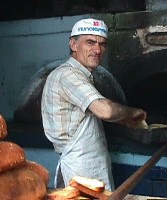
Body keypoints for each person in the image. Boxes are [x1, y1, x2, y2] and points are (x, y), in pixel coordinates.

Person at [41, 18, 147, 191]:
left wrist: (123, 121)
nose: (97, 50)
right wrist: (132, 113)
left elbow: (85, 116)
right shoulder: (68, 76)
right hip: (81, 168)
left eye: (102, 44)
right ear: (73, 45)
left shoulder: (83, 76)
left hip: (90, 164)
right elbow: (104, 110)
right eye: (90, 42)